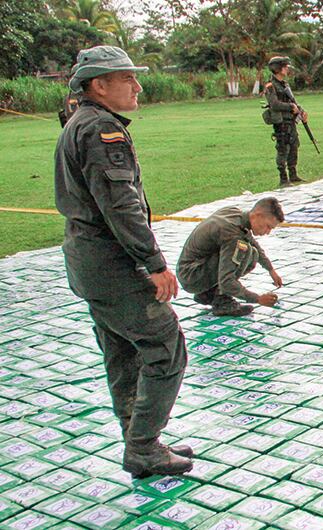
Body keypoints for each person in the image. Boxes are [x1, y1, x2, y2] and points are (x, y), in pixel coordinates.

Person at [54, 46, 192, 478]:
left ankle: (141, 439)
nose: (138, 87)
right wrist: (153, 262)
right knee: (166, 347)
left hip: (90, 264)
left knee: (123, 354)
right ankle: (143, 446)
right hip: (113, 265)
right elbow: (121, 205)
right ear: (99, 85)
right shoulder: (100, 130)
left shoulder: (85, 123)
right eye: (126, 79)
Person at [177, 199, 285, 317]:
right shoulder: (232, 234)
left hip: (191, 268)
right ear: (257, 215)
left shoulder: (235, 213)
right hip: (190, 276)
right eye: (268, 227)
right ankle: (222, 302)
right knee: (245, 250)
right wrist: (258, 299)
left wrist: (270, 269)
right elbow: (226, 281)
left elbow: (253, 242)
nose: (268, 232)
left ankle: (208, 293)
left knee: (251, 251)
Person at [262, 56, 306, 187]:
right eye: (285, 66)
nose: (287, 69)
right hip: (281, 122)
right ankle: (283, 178)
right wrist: (290, 107)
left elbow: (292, 101)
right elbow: (274, 104)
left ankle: (293, 174)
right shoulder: (270, 86)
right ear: (278, 68)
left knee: (294, 146)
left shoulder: (285, 84)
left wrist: (301, 111)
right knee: (283, 148)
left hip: (290, 120)